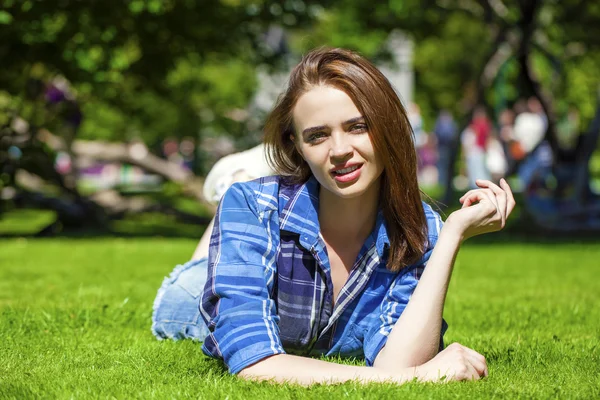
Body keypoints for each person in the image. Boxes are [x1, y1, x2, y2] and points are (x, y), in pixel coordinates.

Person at [151, 48, 515, 386]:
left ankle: (253, 187)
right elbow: (253, 361)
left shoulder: (420, 229)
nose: (340, 151)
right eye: (318, 136)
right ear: (296, 144)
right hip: (192, 292)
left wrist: (452, 234)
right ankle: (238, 187)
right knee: (199, 268)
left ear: (386, 126)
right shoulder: (253, 208)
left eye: (357, 127)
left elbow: (399, 359)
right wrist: (413, 378)